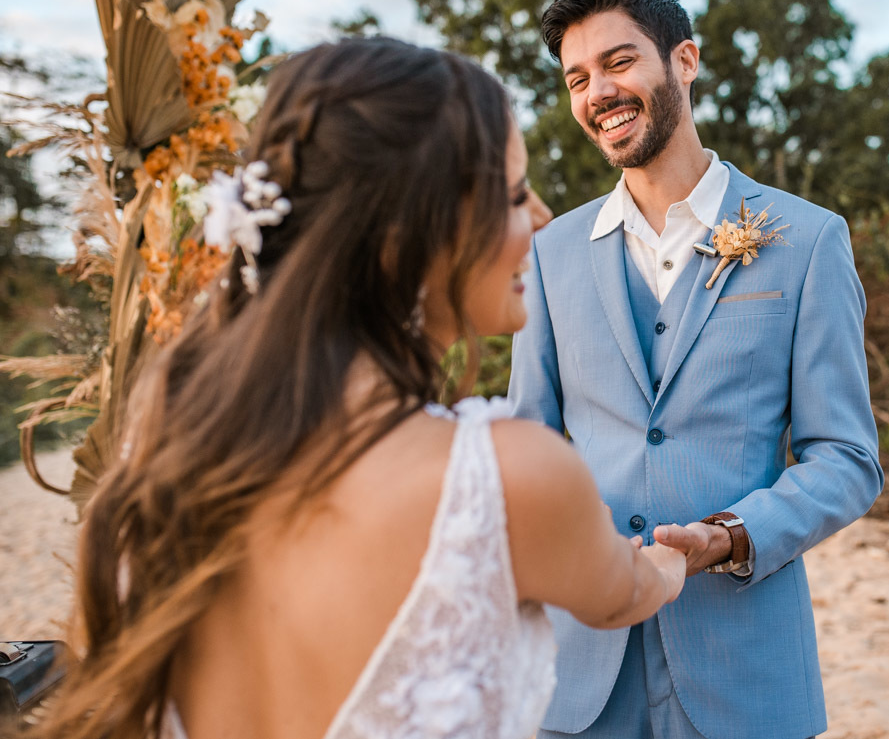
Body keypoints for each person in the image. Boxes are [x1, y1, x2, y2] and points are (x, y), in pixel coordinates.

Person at [31, 38, 685, 739]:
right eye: (514, 191)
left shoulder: (176, 442)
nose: (541, 216)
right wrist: (676, 554)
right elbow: (624, 590)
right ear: (412, 233)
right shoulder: (507, 477)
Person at [509, 0, 885, 739]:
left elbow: (846, 456)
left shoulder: (808, 240)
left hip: (743, 666)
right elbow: (529, 447)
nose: (597, 94)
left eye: (619, 63)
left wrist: (730, 534)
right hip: (579, 674)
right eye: (578, 78)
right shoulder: (550, 255)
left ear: (684, 61)